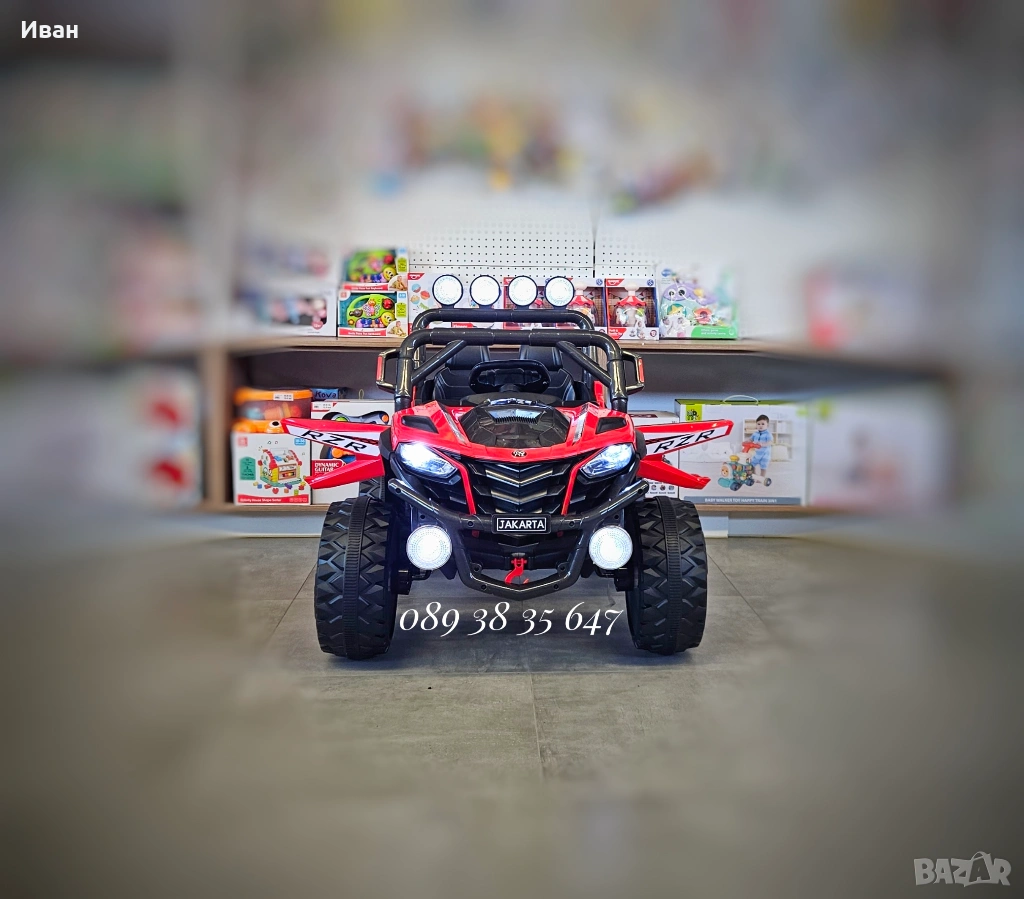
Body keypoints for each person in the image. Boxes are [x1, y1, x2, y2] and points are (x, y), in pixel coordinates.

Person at [748, 413, 773, 479]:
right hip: (757, 453)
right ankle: (754, 475)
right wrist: (747, 442)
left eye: (763, 424)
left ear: (767, 425)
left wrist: (763, 444)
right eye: (758, 424)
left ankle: (762, 478)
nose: (760, 425)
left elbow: (770, 442)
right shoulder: (755, 433)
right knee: (751, 464)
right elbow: (750, 439)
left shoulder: (768, 434)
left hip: (765, 454)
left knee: (763, 467)